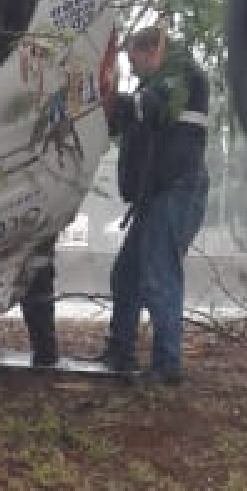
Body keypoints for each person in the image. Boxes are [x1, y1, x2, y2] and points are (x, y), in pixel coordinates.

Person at [96, 25, 210, 384]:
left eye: (134, 61)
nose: (133, 69)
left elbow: (154, 110)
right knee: (126, 275)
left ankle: (167, 365)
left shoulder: (185, 77)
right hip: (155, 196)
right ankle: (120, 349)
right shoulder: (156, 84)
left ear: (151, 52)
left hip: (177, 192)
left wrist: (112, 95)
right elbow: (127, 119)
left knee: (159, 277)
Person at [21, 237, 59, 368]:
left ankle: (46, 356)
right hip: (31, 258)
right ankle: (44, 355)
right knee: (33, 310)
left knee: (38, 310)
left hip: (37, 259)